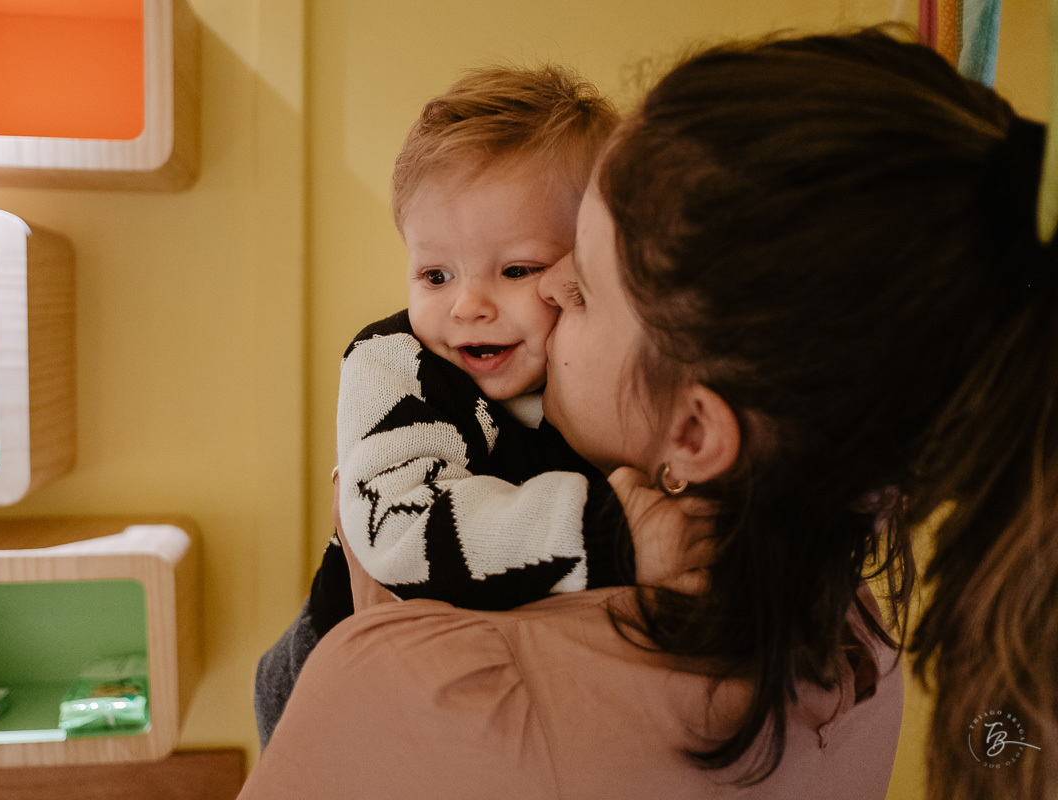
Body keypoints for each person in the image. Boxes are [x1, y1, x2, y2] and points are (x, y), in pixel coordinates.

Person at [234, 27, 1015, 800]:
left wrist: (389, 657)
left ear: (694, 435)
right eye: (434, 272)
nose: (519, 299)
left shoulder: (459, 695)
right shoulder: (859, 644)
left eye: (571, 281)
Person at [252, 65, 625, 749]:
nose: (467, 305)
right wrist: (612, 534)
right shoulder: (395, 364)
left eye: (516, 270)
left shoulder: (594, 370)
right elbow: (400, 534)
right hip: (321, 669)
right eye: (435, 275)